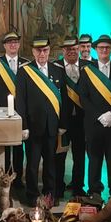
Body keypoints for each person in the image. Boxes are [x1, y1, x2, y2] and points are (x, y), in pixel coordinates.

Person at [17, 37, 70, 206]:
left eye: (45, 50)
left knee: (51, 163)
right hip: (33, 127)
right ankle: (32, 196)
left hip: (52, 127)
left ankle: (50, 195)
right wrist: (23, 126)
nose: (42, 54)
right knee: (32, 165)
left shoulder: (58, 70)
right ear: (33, 51)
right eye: (38, 50)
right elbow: (21, 101)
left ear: (49, 51)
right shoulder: (25, 71)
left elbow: (65, 100)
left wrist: (62, 123)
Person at [78, 34, 111, 197]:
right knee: (94, 160)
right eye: (101, 48)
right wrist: (99, 116)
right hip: (94, 124)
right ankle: (94, 191)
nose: (104, 50)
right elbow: (83, 97)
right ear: (95, 49)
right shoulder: (88, 70)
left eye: (107, 48)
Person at [0, 31, 28, 189]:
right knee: (4, 146)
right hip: (2, 112)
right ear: (4, 45)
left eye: (16, 42)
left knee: (18, 147)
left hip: (21, 111)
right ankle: (3, 180)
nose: (13, 45)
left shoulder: (25, 63)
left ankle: (17, 180)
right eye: (9, 42)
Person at [54, 36, 89, 197]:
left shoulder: (88, 66)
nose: (72, 52)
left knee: (80, 155)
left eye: (74, 49)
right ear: (63, 51)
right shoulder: (55, 67)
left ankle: (77, 186)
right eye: (68, 49)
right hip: (62, 119)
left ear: (79, 49)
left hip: (82, 119)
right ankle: (58, 187)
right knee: (59, 155)